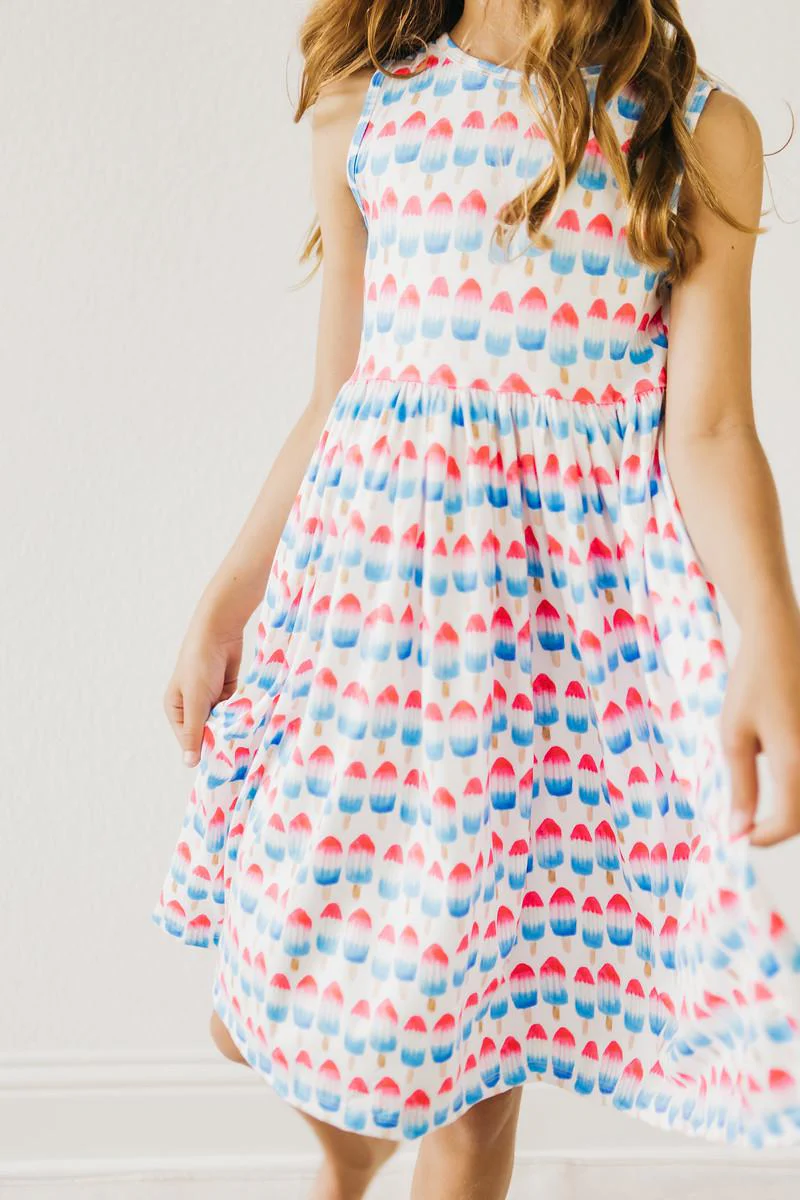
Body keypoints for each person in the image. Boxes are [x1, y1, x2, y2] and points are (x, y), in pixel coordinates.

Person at [152, 2, 800, 1196]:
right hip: (366, 622)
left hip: (544, 656)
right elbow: (339, 391)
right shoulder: (369, 106)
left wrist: (770, 633)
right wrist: (224, 595)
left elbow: (707, 429)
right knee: (271, 989)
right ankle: (347, 1142)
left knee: (477, 1054)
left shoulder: (690, 134)